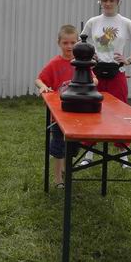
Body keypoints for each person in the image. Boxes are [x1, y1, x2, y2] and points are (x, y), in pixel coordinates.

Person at [81, 0, 131, 166]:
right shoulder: (92, 22)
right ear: (100, 1)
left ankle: (122, 152)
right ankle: (88, 153)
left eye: (111, 0)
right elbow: (81, 44)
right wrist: (88, 53)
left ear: (117, 1)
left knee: (120, 111)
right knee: (92, 110)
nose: (108, 3)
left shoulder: (126, 23)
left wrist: (129, 60)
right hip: (95, 74)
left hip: (117, 73)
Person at [35, 24, 79, 188]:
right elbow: (39, 79)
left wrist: (91, 81)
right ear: (59, 43)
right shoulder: (54, 63)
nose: (69, 46)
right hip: (58, 115)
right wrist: (43, 87)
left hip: (77, 115)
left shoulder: (82, 63)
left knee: (73, 148)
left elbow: (94, 79)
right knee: (59, 147)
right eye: (65, 43)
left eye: (73, 43)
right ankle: (58, 179)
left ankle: (66, 171)